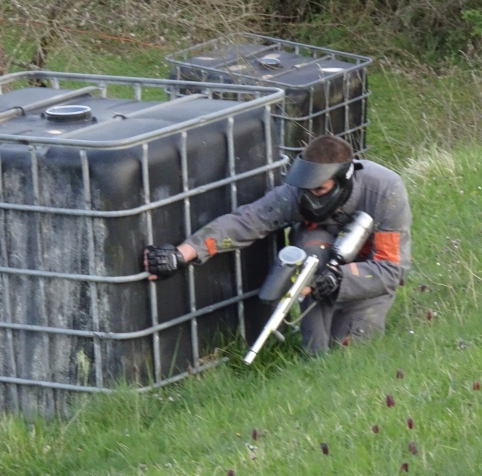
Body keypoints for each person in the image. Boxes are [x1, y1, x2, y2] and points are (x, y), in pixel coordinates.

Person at [144, 135, 412, 354]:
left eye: (320, 190)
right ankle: (313, 353)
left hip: (366, 281)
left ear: (343, 179)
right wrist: (181, 254)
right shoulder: (297, 192)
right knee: (312, 260)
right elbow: (246, 221)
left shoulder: (385, 191)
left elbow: (391, 270)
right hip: (318, 264)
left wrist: (339, 278)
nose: (310, 197)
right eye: (307, 189)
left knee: (351, 353)